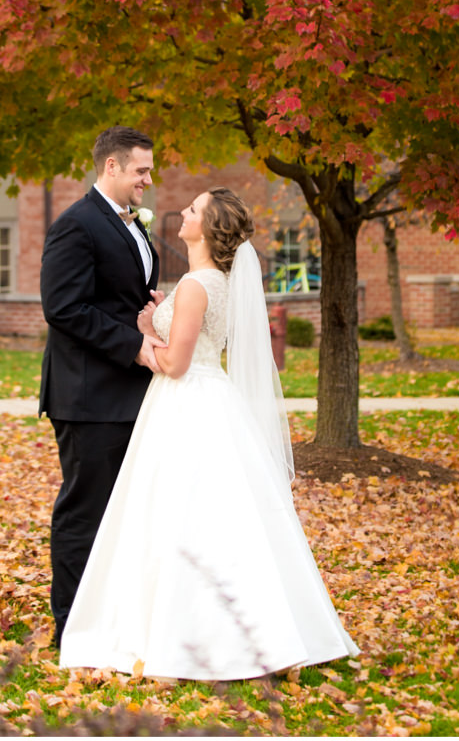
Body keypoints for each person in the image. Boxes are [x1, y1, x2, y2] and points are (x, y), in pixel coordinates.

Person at [56, 187, 356, 679]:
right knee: (219, 519)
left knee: (177, 515)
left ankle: (182, 637)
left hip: (185, 403)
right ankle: (256, 633)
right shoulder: (212, 281)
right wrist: (163, 315)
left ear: (207, 228)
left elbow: (174, 364)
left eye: (193, 210)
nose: (184, 212)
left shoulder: (198, 285)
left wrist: (150, 330)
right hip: (207, 400)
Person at [38, 126, 162, 645]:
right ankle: (72, 628)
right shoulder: (78, 225)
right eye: (140, 171)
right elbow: (63, 307)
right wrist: (133, 345)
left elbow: (120, 295)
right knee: (85, 511)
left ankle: (111, 614)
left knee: (122, 513)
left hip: (126, 393)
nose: (147, 180)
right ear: (111, 167)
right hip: (88, 396)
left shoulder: (128, 223)